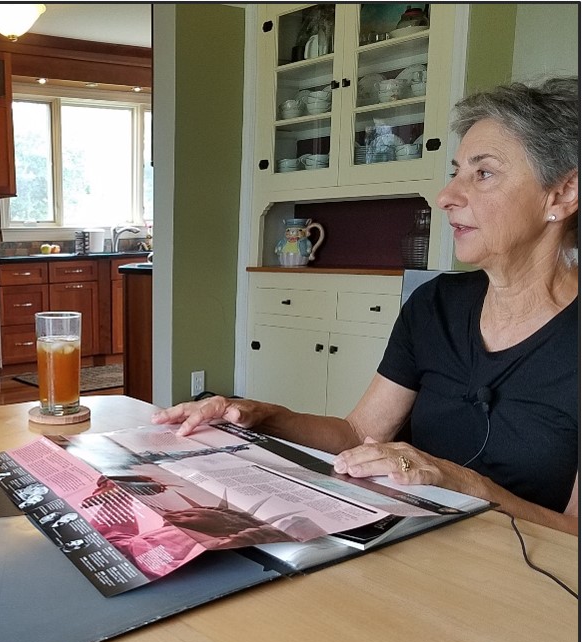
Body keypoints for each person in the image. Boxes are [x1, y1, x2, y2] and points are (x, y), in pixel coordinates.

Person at [154, 77, 579, 535]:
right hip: (411, 549)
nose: (447, 196)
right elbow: (360, 434)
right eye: (455, 172)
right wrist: (258, 414)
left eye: (484, 173)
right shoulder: (435, 305)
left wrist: (468, 486)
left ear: (561, 194)